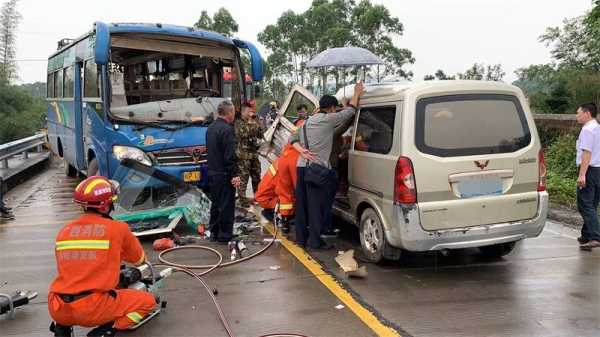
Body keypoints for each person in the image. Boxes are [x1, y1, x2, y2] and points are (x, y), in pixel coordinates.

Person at [48, 176, 156, 337]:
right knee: (147, 302)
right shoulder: (118, 228)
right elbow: (139, 259)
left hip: (58, 306)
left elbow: (72, 267)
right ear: (105, 206)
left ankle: (61, 328)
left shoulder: (64, 231)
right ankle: (108, 330)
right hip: (92, 309)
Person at [290, 82, 365, 250]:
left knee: (302, 206)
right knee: (316, 207)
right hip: (317, 170)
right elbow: (351, 111)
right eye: (334, 108)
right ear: (331, 108)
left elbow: (291, 139)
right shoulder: (328, 120)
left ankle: (301, 240)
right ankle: (316, 242)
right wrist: (357, 92)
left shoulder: (306, 122)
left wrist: (301, 150)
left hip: (301, 167)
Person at [207, 100, 241, 243]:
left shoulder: (211, 128)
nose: (234, 114)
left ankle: (214, 232)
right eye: (233, 112)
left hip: (213, 172)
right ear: (229, 113)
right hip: (224, 173)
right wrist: (235, 174)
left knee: (216, 204)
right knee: (227, 205)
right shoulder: (227, 130)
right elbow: (230, 156)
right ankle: (225, 235)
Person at [575, 103, 600, 250]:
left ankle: (596, 236)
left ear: (587, 113)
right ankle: (586, 234)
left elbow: (587, 153)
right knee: (592, 204)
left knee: (584, 204)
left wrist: (582, 175)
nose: (576, 116)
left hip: (589, 170)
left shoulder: (587, 130)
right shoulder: (597, 128)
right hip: (598, 170)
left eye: (578, 113)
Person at [234, 101, 263, 207]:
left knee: (257, 177)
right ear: (243, 111)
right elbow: (244, 134)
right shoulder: (238, 123)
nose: (250, 113)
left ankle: (258, 197)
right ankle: (242, 200)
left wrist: (258, 122)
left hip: (254, 155)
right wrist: (252, 122)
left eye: (251, 111)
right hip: (243, 156)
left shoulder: (253, 121)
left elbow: (260, 134)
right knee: (243, 178)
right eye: (248, 111)